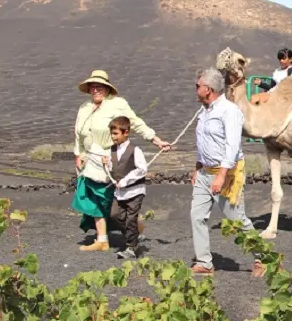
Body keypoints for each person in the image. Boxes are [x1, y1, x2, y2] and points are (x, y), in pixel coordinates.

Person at [72, 70, 170, 252]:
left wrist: (156, 140)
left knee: (110, 200)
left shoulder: (117, 104)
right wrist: (78, 154)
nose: (95, 90)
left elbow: (135, 123)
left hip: (110, 158)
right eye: (92, 87)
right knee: (92, 199)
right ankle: (102, 240)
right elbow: (78, 134)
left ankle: (135, 226)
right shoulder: (84, 108)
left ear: (107, 88)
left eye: (99, 86)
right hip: (89, 160)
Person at [191, 68, 262, 277]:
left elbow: (232, 146)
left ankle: (263, 258)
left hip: (226, 174)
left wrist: (221, 175)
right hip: (205, 173)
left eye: (198, 86)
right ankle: (204, 262)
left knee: (236, 219)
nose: (196, 90)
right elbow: (203, 142)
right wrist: (197, 167)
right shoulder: (204, 111)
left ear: (209, 89)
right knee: (197, 216)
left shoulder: (229, 111)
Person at [100, 116, 147, 259]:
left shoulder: (135, 150)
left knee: (130, 218)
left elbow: (142, 169)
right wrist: (106, 165)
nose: (113, 137)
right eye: (112, 133)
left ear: (126, 132)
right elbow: (113, 168)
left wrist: (126, 181)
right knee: (115, 215)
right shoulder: (111, 150)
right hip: (120, 193)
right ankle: (133, 235)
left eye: (116, 134)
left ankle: (131, 248)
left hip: (135, 191)